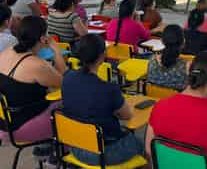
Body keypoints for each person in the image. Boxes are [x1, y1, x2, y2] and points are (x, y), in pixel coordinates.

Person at [62, 34, 144, 166]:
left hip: (75, 146)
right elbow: (127, 115)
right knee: (142, 144)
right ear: (102, 56)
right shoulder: (109, 89)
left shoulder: (67, 77)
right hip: (102, 152)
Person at [0, 16, 66, 145]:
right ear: (43, 38)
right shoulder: (36, 65)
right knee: (72, 100)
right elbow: (65, 83)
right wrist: (56, 50)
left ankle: (46, 148)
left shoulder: (7, 52)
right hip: (20, 127)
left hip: (4, 122)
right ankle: (56, 151)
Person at [147, 25, 187, 91]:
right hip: (176, 100)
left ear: (162, 41)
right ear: (183, 43)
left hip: (154, 99)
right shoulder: (185, 66)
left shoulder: (152, 61)